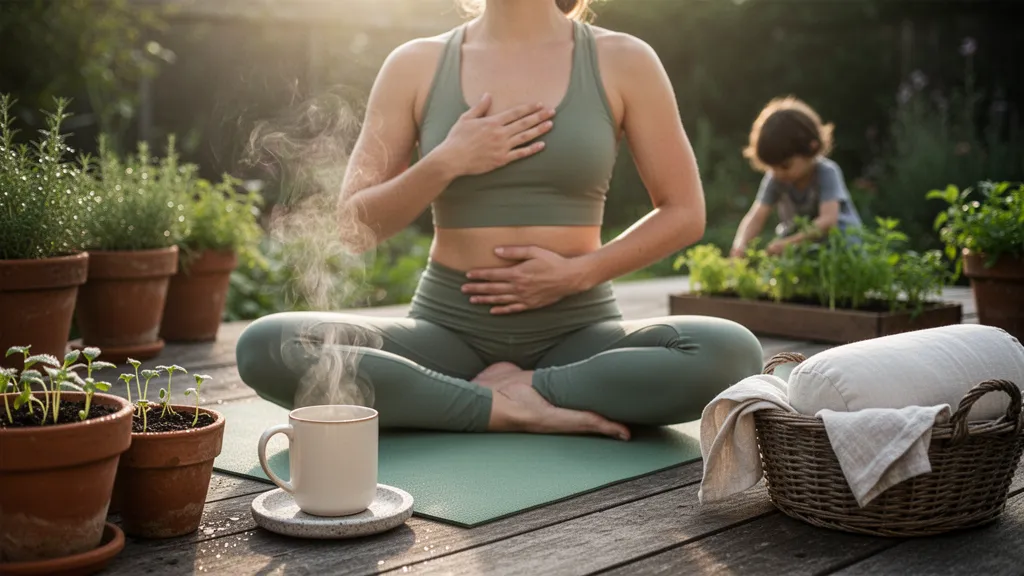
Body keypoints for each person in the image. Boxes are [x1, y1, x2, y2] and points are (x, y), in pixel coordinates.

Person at [236, 0, 763, 441]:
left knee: (730, 352)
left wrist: (576, 274)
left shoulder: (623, 59)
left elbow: (684, 212)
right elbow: (354, 225)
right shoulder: (415, 64)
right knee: (266, 346)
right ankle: (501, 405)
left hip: (579, 332)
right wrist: (446, 160)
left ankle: (529, 388)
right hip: (445, 333)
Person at [729, 96, 863, 258]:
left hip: (839, 250)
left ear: (811, 148)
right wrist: (740, 245)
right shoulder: (776, 179)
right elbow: (756, 216)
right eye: (772, 167)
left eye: (785, 166)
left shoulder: (826, 172)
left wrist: (788, 243)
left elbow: (828, 221)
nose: (778, 173)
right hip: (804, 250)